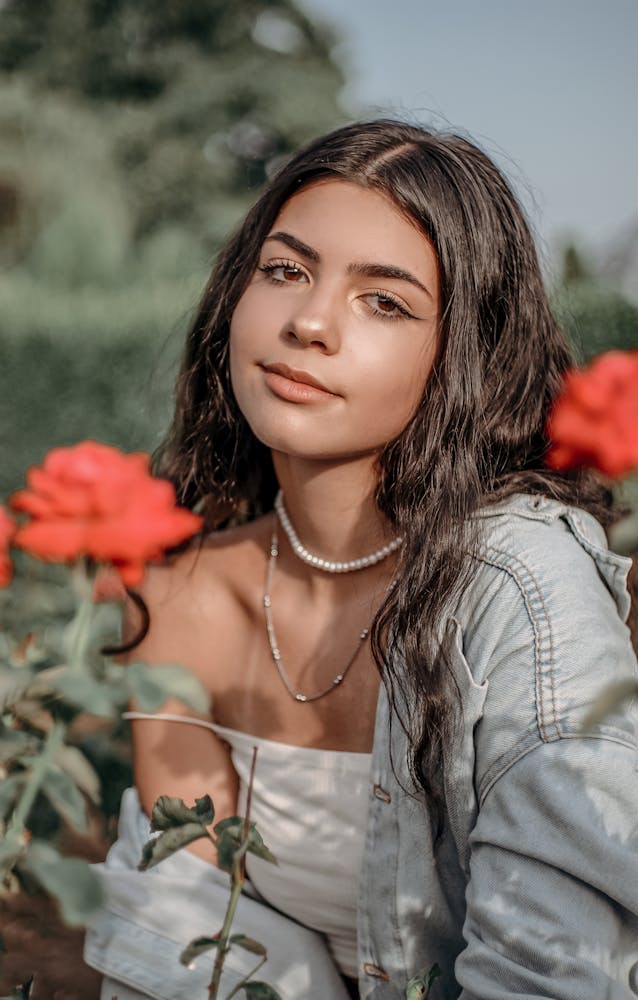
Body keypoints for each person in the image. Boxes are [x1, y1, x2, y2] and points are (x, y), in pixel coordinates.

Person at [84, 119, 638, 999]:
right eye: (286, 270)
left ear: (464, 355)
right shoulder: (176, 590)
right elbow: (186, 929)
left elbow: (557, 973)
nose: (308, 322)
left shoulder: (522, 593)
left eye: (385, 301)